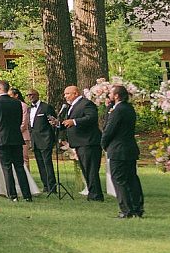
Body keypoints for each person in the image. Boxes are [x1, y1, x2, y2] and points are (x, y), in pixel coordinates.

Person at [101, 84, 144, 218]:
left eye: (111, 94)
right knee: (132, 179)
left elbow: (109, 129)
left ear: (117, 96)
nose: (109, 95)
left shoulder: (118, 110)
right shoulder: (129, 108)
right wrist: (109, 107)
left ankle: (126, 210)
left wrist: (103, 143)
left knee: (119, 180)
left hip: (118, 149)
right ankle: (137, 208)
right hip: (130, 148)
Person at [57, 84, 103, 201]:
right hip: (79, 142)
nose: (65, 96)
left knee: (91, 169)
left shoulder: (86, 103)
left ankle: (96, 195)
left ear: (76, 93)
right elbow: (69, 123)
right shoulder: (71, 106)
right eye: (65, 94)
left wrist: (74, 121)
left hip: (88, 142)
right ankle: (92, 193)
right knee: (86, 169)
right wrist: (59, 124)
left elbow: (91, 118)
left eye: (67, 93)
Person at [0, 82, 32, 202]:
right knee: (19, 166)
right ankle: (27, 195)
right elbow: (19, 120)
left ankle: (13, 195)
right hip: (16, 137)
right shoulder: (17, 103)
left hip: (2, 139)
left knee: (6, 167)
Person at [27, 90, 57, 193]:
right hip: (35, 139)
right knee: (40, 163)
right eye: (28, 95)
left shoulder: (46, 107)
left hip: (45, 138)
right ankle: (45, 185)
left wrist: (53, 138)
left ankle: (52, 186)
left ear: (37, 95)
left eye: (32, 95)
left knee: (47, 163)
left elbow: (53, 122)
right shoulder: (29, 109)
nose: (30, 97)